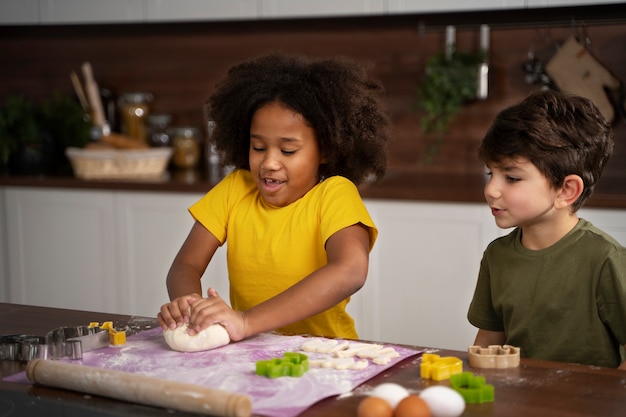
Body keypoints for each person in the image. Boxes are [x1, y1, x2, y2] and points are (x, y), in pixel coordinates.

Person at [157, 52, 391, 342]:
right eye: (258, 147)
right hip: (249, 355)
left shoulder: (334, 194)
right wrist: (189, 305)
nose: (269, 162)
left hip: (326, 358)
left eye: (288, 150)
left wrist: (245, 321)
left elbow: (351, 271)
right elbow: (186, 265)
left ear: (327, 150)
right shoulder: (235, 189)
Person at [467, 89, 626, 369]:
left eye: (512, 177)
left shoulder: (605, 259)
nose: (491, 189)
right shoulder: (496, 256)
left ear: (566, 190)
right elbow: (488, 345)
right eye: (491, 173)